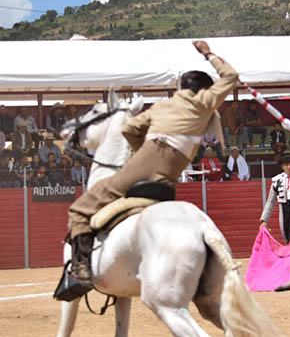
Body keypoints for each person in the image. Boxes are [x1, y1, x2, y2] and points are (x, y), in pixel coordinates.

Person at [67, 40, 238, 281]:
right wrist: (208, 53)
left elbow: (129, 129)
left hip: (144, 162)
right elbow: (230, 76)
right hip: (169, 176)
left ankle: (81, 267)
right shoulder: (205, 103)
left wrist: (141, 154)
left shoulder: (161, 106)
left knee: (81, 208)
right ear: (203, 89)